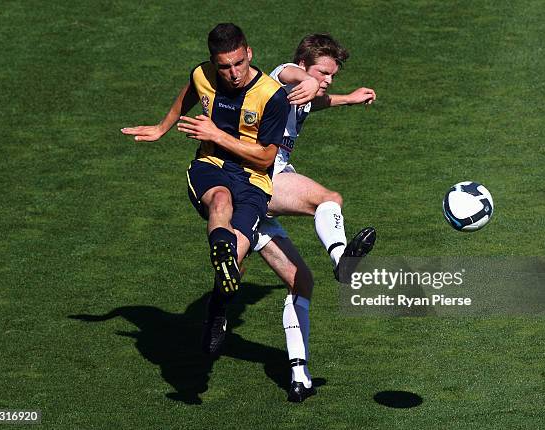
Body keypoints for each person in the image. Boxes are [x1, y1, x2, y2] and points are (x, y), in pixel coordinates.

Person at [121, 23, 289, 357]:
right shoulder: (203, 74)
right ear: (213, 62)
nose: (233, 73)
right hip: (210, 166)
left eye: (239, 63)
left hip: (255, 180)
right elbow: (189, 93)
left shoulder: (272, 95)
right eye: (224, 66)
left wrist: (217, 134)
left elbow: (267, 156)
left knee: (234, 265)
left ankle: (216, 310)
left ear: (249, 53)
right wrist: (161, 127)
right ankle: (222, 249)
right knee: (220, 200)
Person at [251, 33, 378, 402]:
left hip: (257, 201)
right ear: (305, 64)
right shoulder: (283, 77)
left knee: (301, 283)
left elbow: (314, 102)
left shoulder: (307, 94)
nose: (327, 80)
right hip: (260, 179)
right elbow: (291, 75)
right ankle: (342, 261)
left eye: (332, 75)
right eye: (323, 72)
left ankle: (299, 376)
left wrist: (348, 98)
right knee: (329, 199)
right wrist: (306, 78)